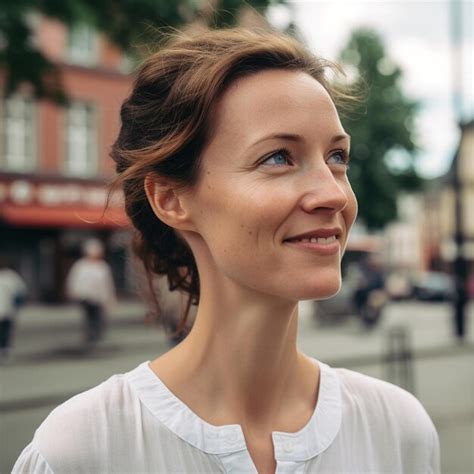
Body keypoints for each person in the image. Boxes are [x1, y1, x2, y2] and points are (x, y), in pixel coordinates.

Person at [13, 28, 440, 473]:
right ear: (171, 200)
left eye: (336, 157)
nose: (332, 194)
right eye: (278, 157)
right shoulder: (83, 450)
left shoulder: (398, 431)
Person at [65, 239, 116, 349]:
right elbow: (74, 280)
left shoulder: (102, 266)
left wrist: (109, 299)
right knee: (90, 316)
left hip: (99, 297)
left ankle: (96, 335)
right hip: (85, 297)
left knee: (98, 316)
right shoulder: (81, 266)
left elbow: (107, 285)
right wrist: (74, 292)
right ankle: (90, 335)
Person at [0, 261, 26, 364]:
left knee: (5, 330)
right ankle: (5, 351)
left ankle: (4, 351)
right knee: (6, 331)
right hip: (7, 309)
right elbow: (21, 291)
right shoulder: (12, 277)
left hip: (6, 309)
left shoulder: (11, 277)